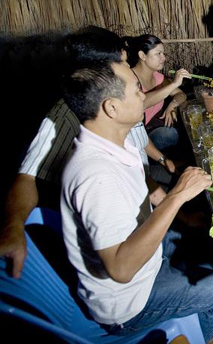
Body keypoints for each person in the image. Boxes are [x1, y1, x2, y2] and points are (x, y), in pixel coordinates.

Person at [60, 60, 213, 340]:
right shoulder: (95, 176)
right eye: (136, 92)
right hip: (129, 299)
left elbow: (143, 183)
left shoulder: (115, 142)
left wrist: (184, 216)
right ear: (112, 107)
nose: (144, 96)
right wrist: (178, 196)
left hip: (149, 258)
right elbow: (121, 269)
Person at [0, 28, 174, 279]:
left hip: (137, 188)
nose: (126, 67)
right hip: (105, 217)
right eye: (120, 61)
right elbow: (26, 177)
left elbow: (137, 145)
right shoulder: (66, 114)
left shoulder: (121, 97)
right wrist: (14, 226)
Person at [126, 34, 189, 151]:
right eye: (158, 53)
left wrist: (172, 105)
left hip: (156, 125)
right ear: (142, 55)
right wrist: (174, 84)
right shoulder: (130, 78)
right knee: (169, 134)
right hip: (138, 136)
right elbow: (141, 103)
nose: (163, 58)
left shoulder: (158, 77)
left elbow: (181, 95)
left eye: (163, 53)